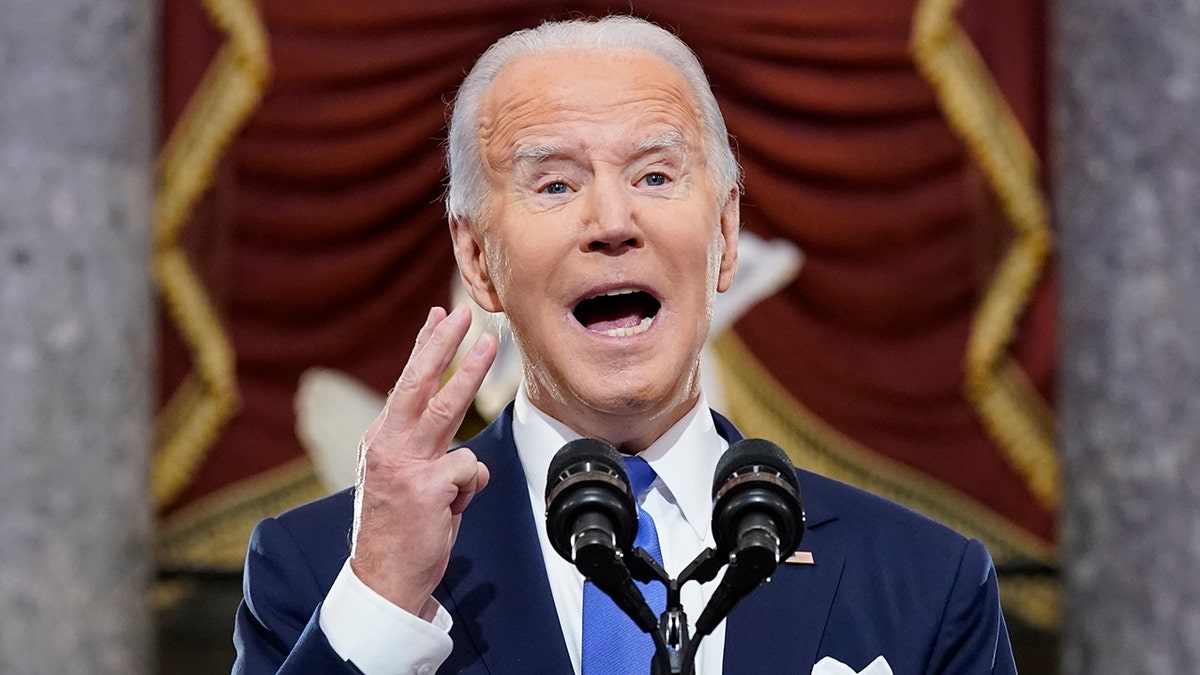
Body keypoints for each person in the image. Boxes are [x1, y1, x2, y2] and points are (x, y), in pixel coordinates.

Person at [233, 15, 1017, 674]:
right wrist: (380, 600)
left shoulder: (925, 581)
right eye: (555, 185)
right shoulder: (320, 572)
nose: (612, 222)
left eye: (653, 176)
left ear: (725, 231)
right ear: (477, 259)